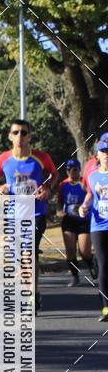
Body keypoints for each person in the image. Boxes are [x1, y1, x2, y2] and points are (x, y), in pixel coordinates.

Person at [0, 119, 58, 313]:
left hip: (35, 212)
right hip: (13, 216)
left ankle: (30, 297)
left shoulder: (41, 157)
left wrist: (48, 189)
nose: (20, 136)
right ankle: (33, 291)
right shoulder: (3, 160)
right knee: (21, 259)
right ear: (10, 136)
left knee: (28, 255)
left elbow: (54, 173)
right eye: (16, 132)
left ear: (30, 136)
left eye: (24, 132)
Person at [79, 134, 108, 321]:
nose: (106, 154)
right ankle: (106, 306)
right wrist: (84, 206)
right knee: (104, 265)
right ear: (97, 155)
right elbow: (90, 194)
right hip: (98, 225)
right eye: (103, 151)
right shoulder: (92, 175)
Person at [57, 159, 95, 286]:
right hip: (69, 220)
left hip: (84, 220)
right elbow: (60, 202)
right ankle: (75, 276)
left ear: (79, 170)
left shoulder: (84, 183)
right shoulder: (63, 185)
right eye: (68, 169)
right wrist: (59, 211)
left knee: (84, 251)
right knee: (70, 250)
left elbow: (92, 197)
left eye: (74, 169)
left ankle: (92, 265)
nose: (71, 172)